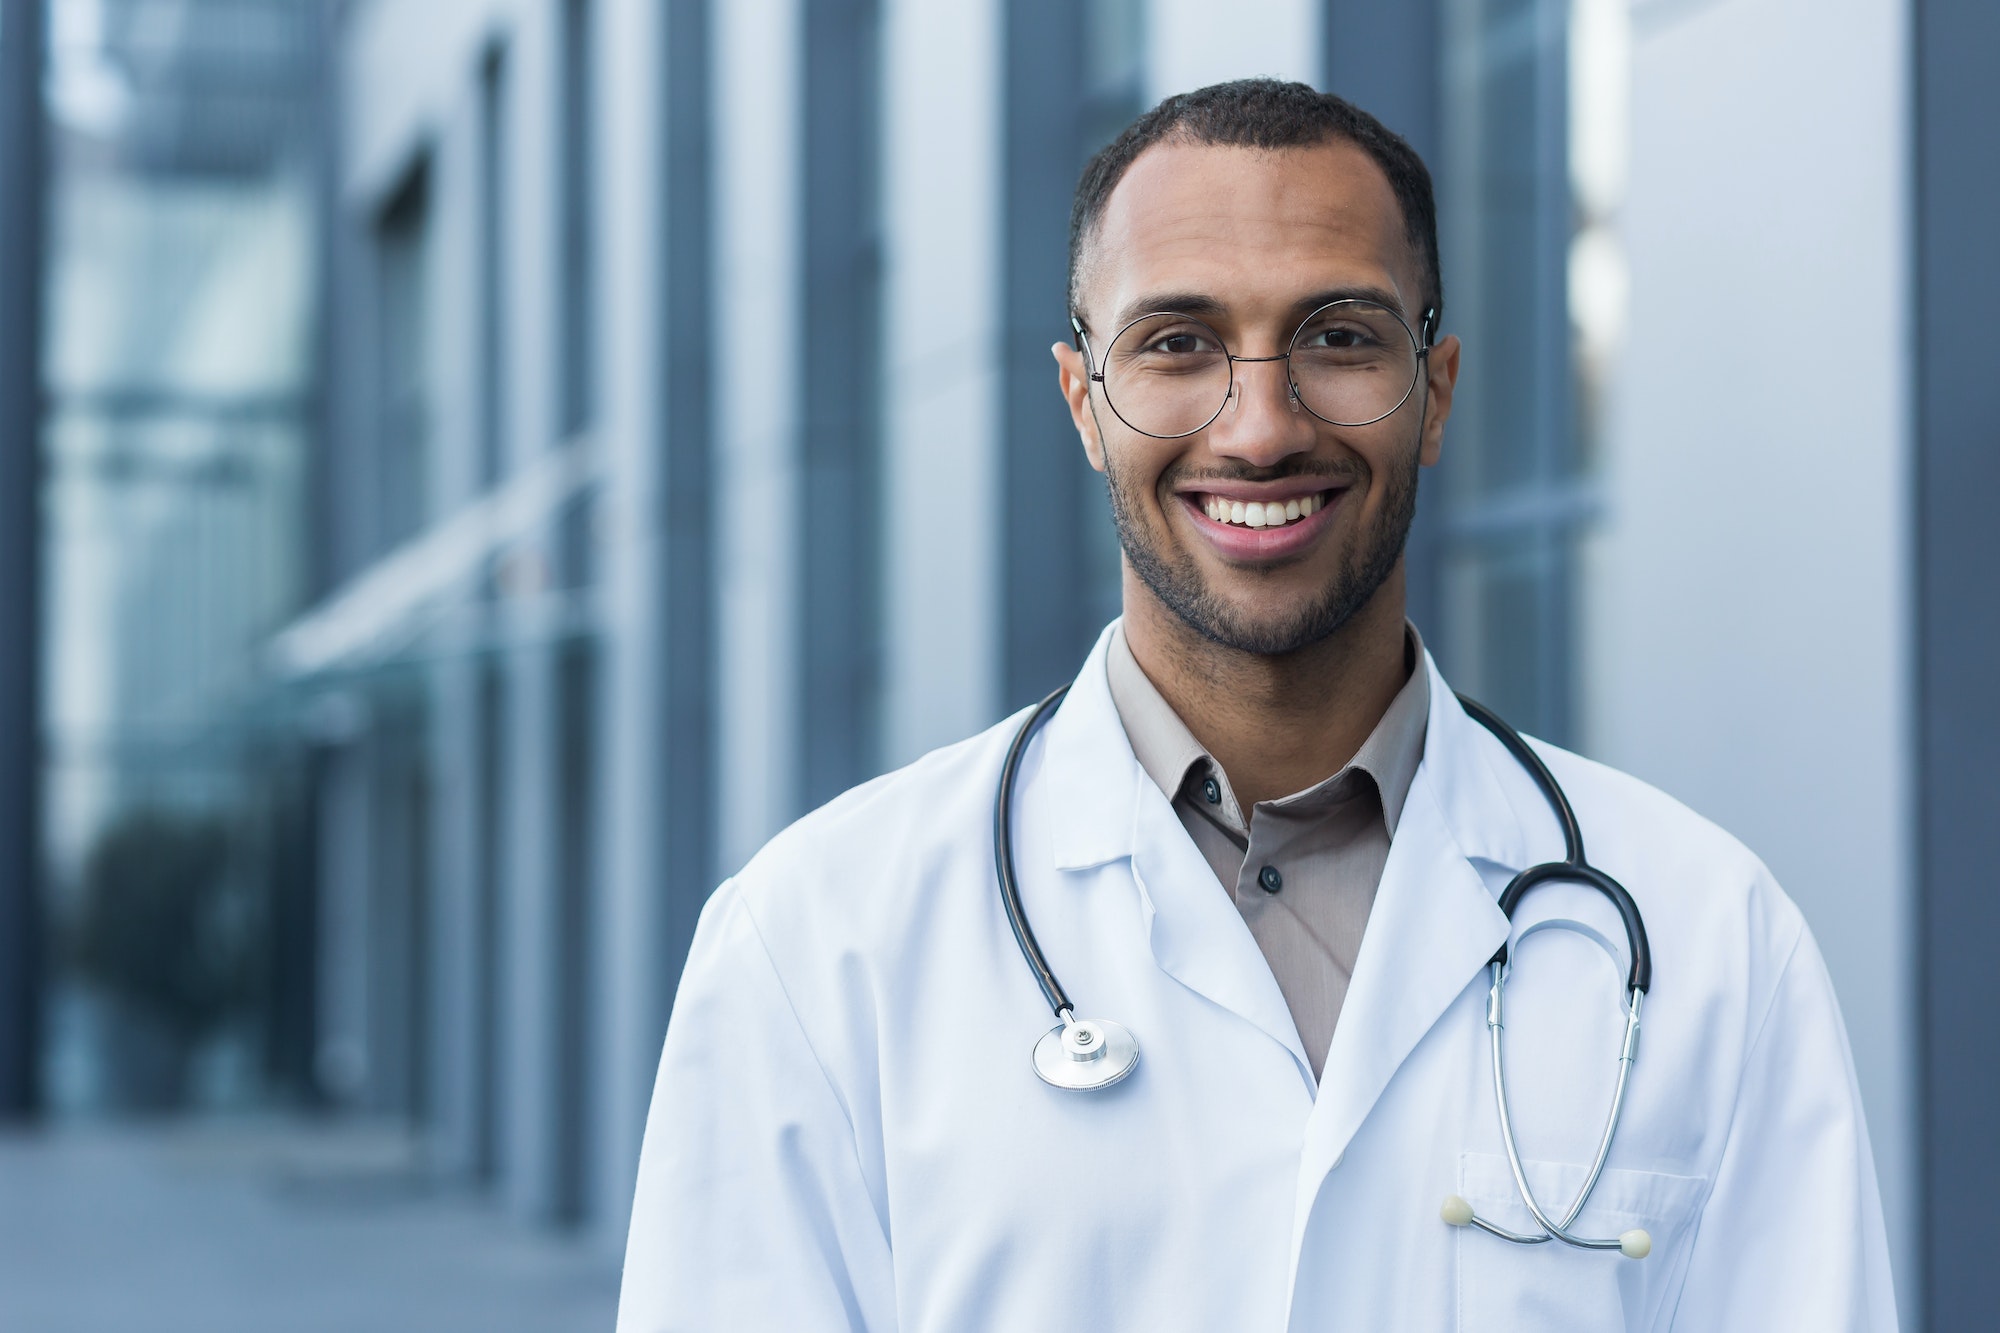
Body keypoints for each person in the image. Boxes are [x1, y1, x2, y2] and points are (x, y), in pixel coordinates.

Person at [617, 80, 1896, 1331]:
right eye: (1176, 344)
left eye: (1338, 337)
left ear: (1434, 389)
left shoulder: (1708, 937)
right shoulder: (816, 943)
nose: (1259, 427)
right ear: (1083, 403)